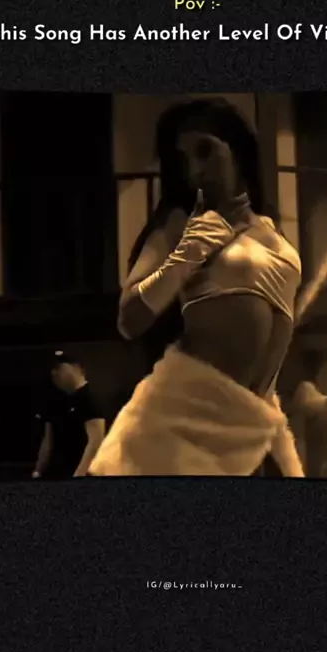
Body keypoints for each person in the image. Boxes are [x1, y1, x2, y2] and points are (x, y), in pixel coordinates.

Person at [88, 97, 305, 476]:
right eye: (182, 160)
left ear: (237, 148)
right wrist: (189, 253)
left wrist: (288, 461)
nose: (195, 171)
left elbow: (267, 367)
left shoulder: (272, 231)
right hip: (171, 433)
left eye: (205, 151)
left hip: (239, 442)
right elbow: (129, 320)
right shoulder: (181, 223)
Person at [32, 351, 106, 480]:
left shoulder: (90, 399)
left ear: (76, 367)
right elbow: (48, 440)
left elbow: (96, 441)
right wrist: (38, 471)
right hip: (55, 476)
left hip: (78, 477)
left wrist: (79, 476)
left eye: (59, 368)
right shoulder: (56, 402)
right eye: (53, 369)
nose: (54, 373)